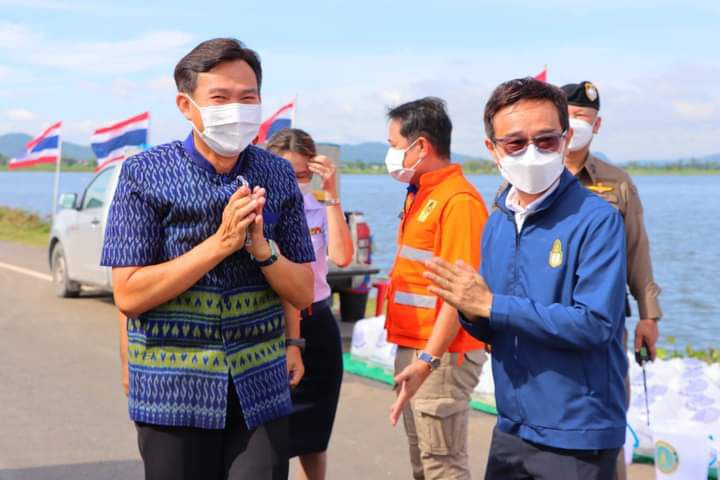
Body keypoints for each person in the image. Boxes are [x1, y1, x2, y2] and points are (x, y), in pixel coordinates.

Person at [100, 38, 315, 480]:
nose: (236, 110)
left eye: (248, 98)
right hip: (173, 388)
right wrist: (220, 243)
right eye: (220, 98)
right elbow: (129, 294)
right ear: (186, 105)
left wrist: (263, 250)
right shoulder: (144, 174)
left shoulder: (277, 174)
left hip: (260, 384)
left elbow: (304, 290)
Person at [423, 78, 628, 479]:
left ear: (566, 140)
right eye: (515, 143)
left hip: (577, 431)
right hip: (512, 424)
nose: (532, 153)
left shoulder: (597, 219)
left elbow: (595, 324)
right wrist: (471, 309)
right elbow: (493, 322)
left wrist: (490, 305)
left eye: (546, 140)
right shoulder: (498, 222)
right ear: (493, 149)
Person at [561, 80, 662, 480]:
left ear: (597, 125)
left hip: (604, 323)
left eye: (583, 117)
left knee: (606, 414)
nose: (576, 124)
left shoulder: (616, 182)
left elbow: (637, 249)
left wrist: (649, 315)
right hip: (545, 315)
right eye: (568, 116)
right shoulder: (532, 176)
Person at [384, 97, 489, 480]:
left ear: (421, 147)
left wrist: (428, 359)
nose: (391, 155)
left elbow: (460, 294)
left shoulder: (458, 201)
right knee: (423, 462)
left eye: (394, 145)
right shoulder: (422, 192)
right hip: (417, 349)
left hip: (441, 355)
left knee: (442, 466)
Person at [266, 128, 354, 480]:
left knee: (314, 439)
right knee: (270, 440)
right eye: (287, 174)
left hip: (316, 320)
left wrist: (331, 195)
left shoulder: (318, 205)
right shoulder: (259, 208)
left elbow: (342, 256)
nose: (295, 183)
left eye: (302, 175)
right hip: (272, 326)